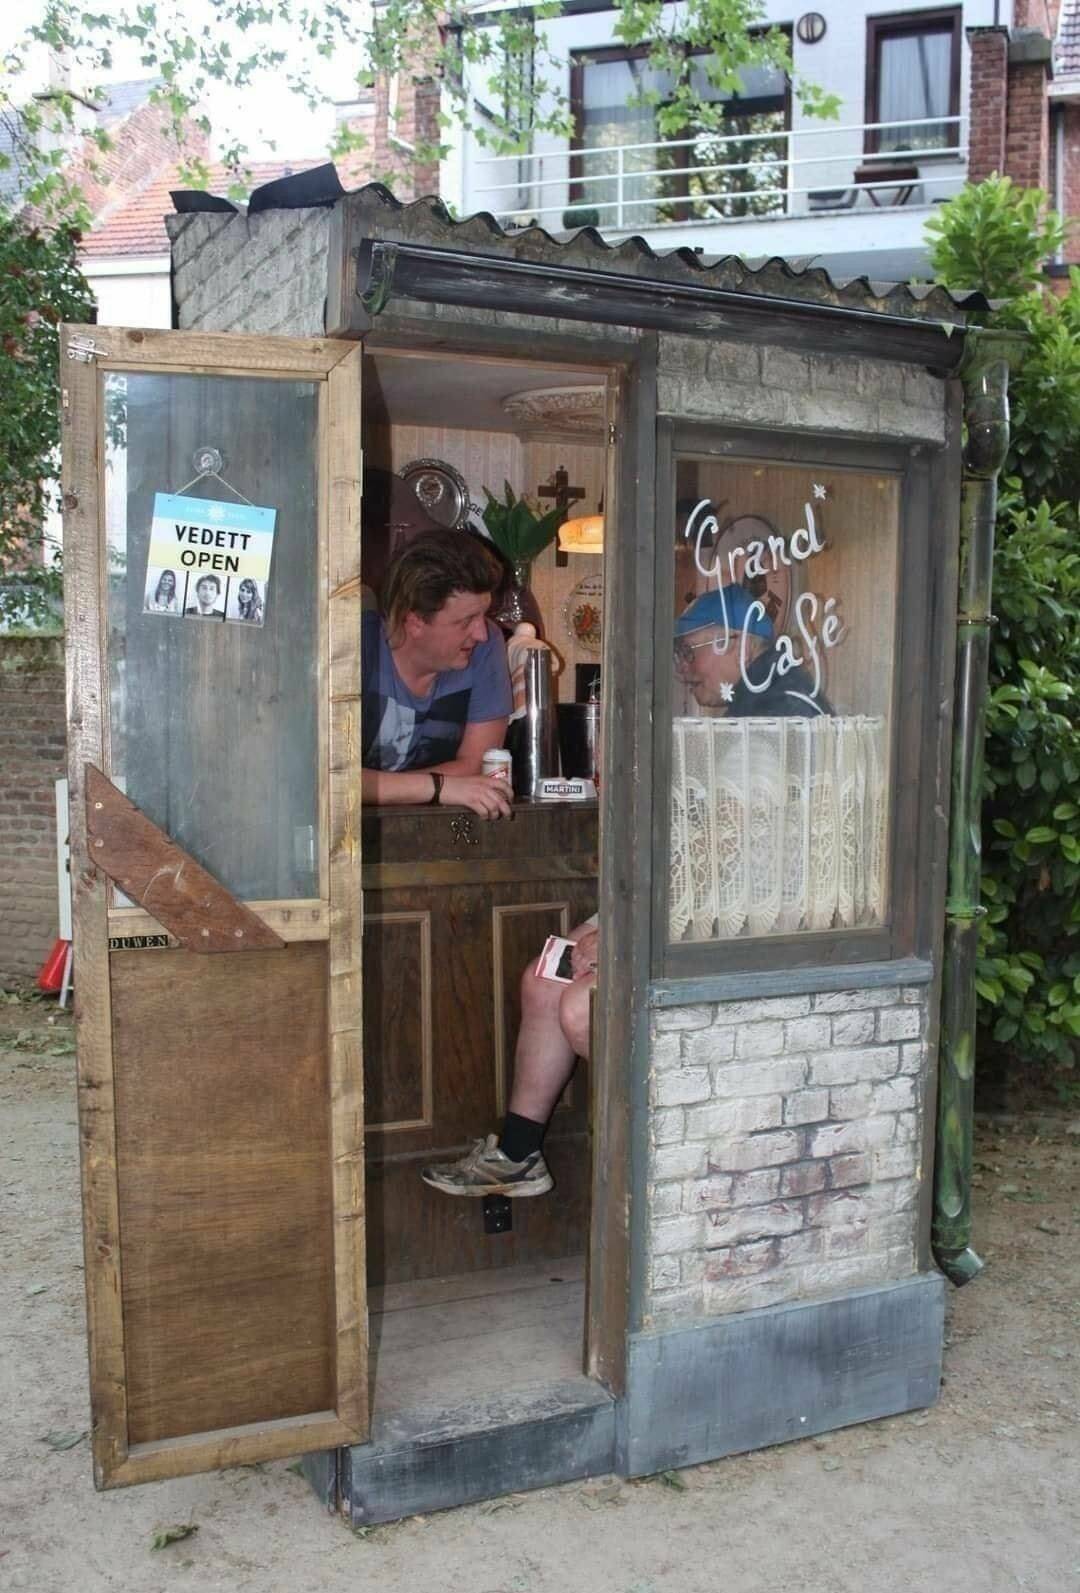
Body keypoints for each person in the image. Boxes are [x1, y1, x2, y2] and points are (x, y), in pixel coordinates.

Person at [421, 582, 834, 1201]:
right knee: (546, 975)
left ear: (735, 643)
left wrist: (619, 936)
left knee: (581, 1007)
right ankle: (519, 1155)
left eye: (691, 651)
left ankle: (669, 1173)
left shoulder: (777, 715)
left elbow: (730, 867)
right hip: (686, 908)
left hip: (744, 934)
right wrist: (608, 925)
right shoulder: (746, 708)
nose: (684, 667)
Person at [362, 530, 514, 820]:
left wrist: (376, 786)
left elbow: (477, 765)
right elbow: (327, 779)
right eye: (466, 621)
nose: (481, 633)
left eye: (482, 615)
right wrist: (439, 787)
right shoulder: (356, 648)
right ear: (414, 621)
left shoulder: (485, 647)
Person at [673, 583, 833, 717]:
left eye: (688, 651)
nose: (681, 668)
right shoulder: (769, 698)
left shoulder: (775, 710)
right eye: (678, 654)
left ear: (742, 647)